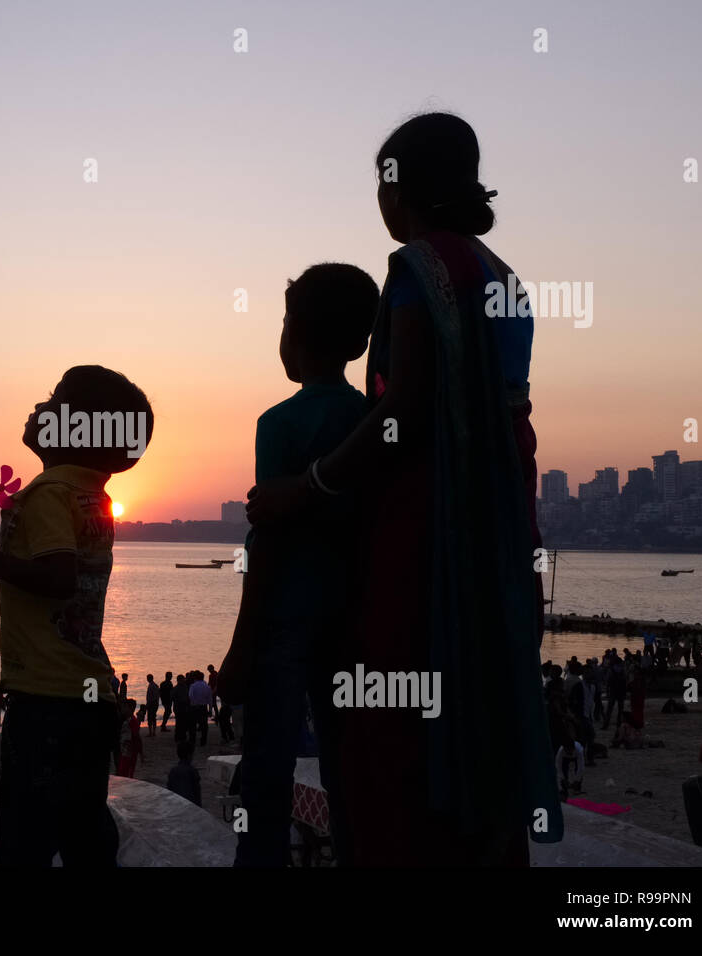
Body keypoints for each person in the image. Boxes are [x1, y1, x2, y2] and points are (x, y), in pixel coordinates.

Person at [245, 113, 560, 864]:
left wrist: (309, 487)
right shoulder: (502, 274)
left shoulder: (418, 270)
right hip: (501, 518)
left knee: (396, 725)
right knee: (485, 702)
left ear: (401, 188)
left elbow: (405, 409)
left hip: (428, 526)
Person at [0, 364, 153, 866]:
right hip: (87, 698)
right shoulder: (93, 499)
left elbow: (58, 579)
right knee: (84, 831)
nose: (38, 407)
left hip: (45, 702)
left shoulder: (46, 494)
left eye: (52, 401)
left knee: (24, 841)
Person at [217, 263, 377, 868]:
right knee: (346, 766)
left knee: (267, 769)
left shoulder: (278, 423)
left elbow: (272, 543)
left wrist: (240, 646)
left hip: (283, 622)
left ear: (291, 333)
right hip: (350, 618)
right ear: (360, 343)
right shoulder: (370, 420)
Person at [166, 739, 201, 807]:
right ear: (189, 756)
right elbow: (197, 793)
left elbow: (169, 789)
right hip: (190, 806)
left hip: (176, 805)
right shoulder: (192, 771)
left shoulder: (173, 771)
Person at [188, 670, 212, 746]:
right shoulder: (207, 686)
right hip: (203, 707)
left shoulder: (193, 686)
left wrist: (194, 703)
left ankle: (192, 740)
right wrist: (210, 710)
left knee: (192, 725)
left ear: (195, 677)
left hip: (194, 707)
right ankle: (203, 740)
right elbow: (210, 700)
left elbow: (190, 696)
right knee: (204, 725)